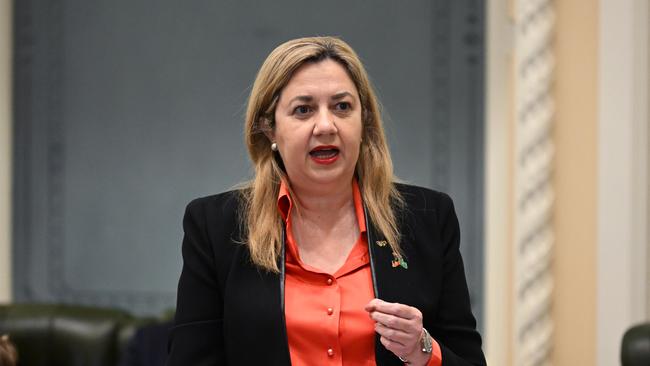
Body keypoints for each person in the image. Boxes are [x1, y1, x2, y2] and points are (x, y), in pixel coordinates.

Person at [167, 36, 486, 366]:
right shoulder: (216, 225)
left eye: (342, 107)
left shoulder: (427, 218)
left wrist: (422, 349)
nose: (325, 125)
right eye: (303, 110)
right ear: (269, 128)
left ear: (365, 122)